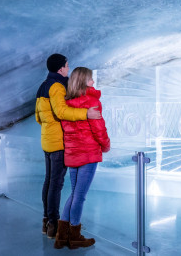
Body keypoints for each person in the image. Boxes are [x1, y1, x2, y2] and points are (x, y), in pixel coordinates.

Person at [35, 54, 101, 239]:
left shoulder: (43, 86)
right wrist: (86, 113)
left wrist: (49, 128)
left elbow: (38, 117)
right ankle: (53, 225)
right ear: (61, 68)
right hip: (58, 142)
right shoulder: (57, 87)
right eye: (67, 66)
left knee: (49, 181)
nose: (68, 69)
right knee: (56, 184)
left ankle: (46, 220)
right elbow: (61, 111)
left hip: (47, 140)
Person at [53, 67, 110, 249]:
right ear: (84, 81)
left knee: (74, 194)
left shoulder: (66, 104)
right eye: (91, 79)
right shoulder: (92, 101)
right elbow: (99, 129)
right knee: (80, 196)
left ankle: (62, 236)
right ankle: (74, 237)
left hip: (72, 155)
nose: (93, 82)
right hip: (88, 154)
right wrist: (106, 146)